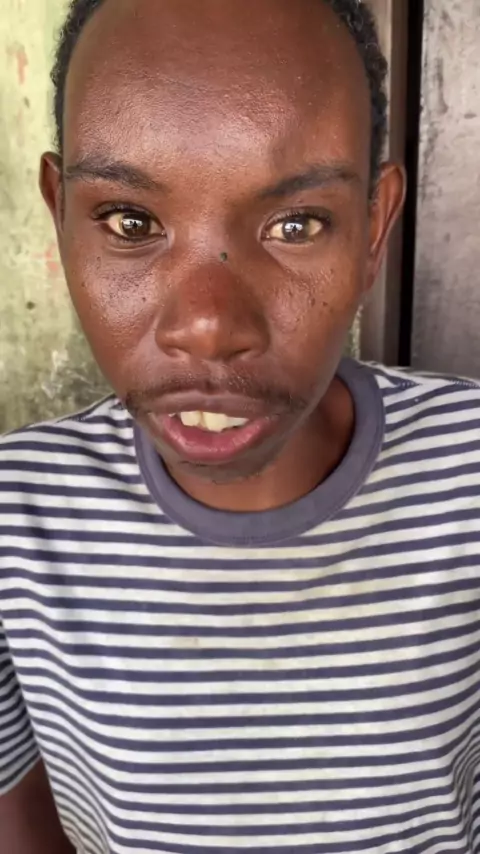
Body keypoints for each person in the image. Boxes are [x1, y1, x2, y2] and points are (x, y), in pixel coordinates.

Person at [1, 0, 479, 851]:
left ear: (373, 227)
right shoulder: (17, 518)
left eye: (296, 224)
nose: (209, 327)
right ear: (61, 211)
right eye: (131, 222)